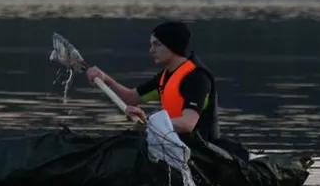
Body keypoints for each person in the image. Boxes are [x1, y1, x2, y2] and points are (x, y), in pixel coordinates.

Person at [86, 21, 221, 143]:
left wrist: (147, 121)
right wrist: (106, 79)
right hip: (173, 143)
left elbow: (187, 124)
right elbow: (132, 98)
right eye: (151, 45)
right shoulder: (166, 75)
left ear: (172, 45)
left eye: (157, 44)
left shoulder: (197, 77)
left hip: (201, 151)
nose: (151, 50)